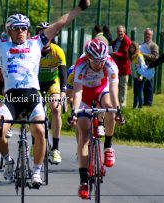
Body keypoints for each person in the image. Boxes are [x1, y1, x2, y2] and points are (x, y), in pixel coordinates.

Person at [0, 0, 90, 185]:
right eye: (16, 28)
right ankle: (8, 161)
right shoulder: (2, 44)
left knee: (40, 131)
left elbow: (60, 23)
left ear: (28, 30)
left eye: (24, 28)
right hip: (12, 97)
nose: (20, 31)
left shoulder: (37, 42)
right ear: (9, 31)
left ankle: (37, 172)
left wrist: (80, 7)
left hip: (32, 95)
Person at [70, 39, 122, 199]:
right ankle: (84, 181)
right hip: (84, 94)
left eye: (102, 60)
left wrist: (118, 110)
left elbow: (114, 90)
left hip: (101, 89)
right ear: (88, 58)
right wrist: (74, 111)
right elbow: (77, 92)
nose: (100, 64)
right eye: (96, 61)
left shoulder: (111, 64)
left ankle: (107, 146)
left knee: (110, 108)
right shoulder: (80, 65)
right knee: (84, 134)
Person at [35, 22, 67, 164]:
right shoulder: (33, 50)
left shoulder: (57, 51)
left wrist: (63, 93)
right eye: (42, 33)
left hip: (52, 83)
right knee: (35, 112)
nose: (45, 36)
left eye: (48, 33)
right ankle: (36, 141)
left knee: (55, 109)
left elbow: (63, 74)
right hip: (35, 83)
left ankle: (55, 148)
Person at [111, 25, 131, 108]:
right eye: (118, 31)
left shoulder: (127, 41)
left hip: (123, 68)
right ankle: (115, 104)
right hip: (116, 68)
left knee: (122, 87)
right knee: (115, 86)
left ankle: (122, 106)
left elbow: (126, 55)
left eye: (121, 32)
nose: (120, 33)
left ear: (124, 32)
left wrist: (115, 54)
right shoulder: (117, 41)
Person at [139, 28, 159, 106]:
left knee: (149, 86)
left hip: (149, 67)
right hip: (141, 67)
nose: (147, 35)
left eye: (149, 34)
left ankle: (149, 102)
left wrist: (144, 55)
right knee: (143, 86)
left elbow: (156, 57)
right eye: (146, 33)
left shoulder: (154, 45)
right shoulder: (141, 44)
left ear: (152, 35)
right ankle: (144, 101)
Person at [128, 42, 146, 109]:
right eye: (130, 47)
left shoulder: (139, 56)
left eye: (133, 47)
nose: (131, 49)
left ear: (136, 48)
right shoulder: (132, 56)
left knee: (139, 92)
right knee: (135, 92)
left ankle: (140, 107)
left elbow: (143, 66)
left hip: (141, 76)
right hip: (135, 77)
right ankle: (134, 107)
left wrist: (141, 75)